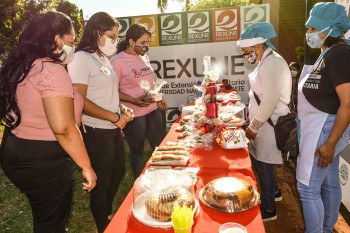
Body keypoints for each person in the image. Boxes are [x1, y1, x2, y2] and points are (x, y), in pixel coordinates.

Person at [0, 11, 97, 233]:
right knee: (51, 222)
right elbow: (63, 129)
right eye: (71, 41)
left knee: (45, 214)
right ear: (57, 39)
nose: (73, 47)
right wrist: (86, 166)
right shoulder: (50, 70)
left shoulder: (24, 65)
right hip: (42, 160)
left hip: (16, 147)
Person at [67, 12, 134, 233]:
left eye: (117, 36)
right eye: (111, 36)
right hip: (96, 130)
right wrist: (115, 117)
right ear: (96, 32)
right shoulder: (81, 59)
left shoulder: (104, 58)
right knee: (102, 182)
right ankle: (103, 225)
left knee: (118, 173)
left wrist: (120, 108)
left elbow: (108, 92)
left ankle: (105, 208)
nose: (116, 41)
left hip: (112, 126)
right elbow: (80, 101)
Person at [296, 2, 350, 233]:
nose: (308, 33)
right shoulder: (327, 53)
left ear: (328, 30)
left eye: (313, 29)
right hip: (319, 126)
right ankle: (326, 228)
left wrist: (330, 143)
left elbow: (348, 103)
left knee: (307, 188)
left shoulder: (339, 55)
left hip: (325, 129)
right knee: (328, 182)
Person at [237, 22, 292, 222]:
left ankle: (269, 209)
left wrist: (253, 126)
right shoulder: (265, 61)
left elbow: (269, 100)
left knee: (265, 164)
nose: (245, 55)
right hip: (263, 122)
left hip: (269, 124)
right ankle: (275, 193)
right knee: (261, 162)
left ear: (257, 46)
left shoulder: (273, 64)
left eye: (246, 51)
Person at [110, 24, 167, 179]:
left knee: (159, 147)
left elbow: (151, 83)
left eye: (147, 43)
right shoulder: (117, 61)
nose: (146, 47)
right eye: (142, 43)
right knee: (137, 151)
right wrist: (133, 100)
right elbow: (112, 91)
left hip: (153, 109)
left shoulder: (144, 57)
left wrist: (159, 97)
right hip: (134, 114)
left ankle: (162, 177)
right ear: (131, 41)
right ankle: (140, 183)